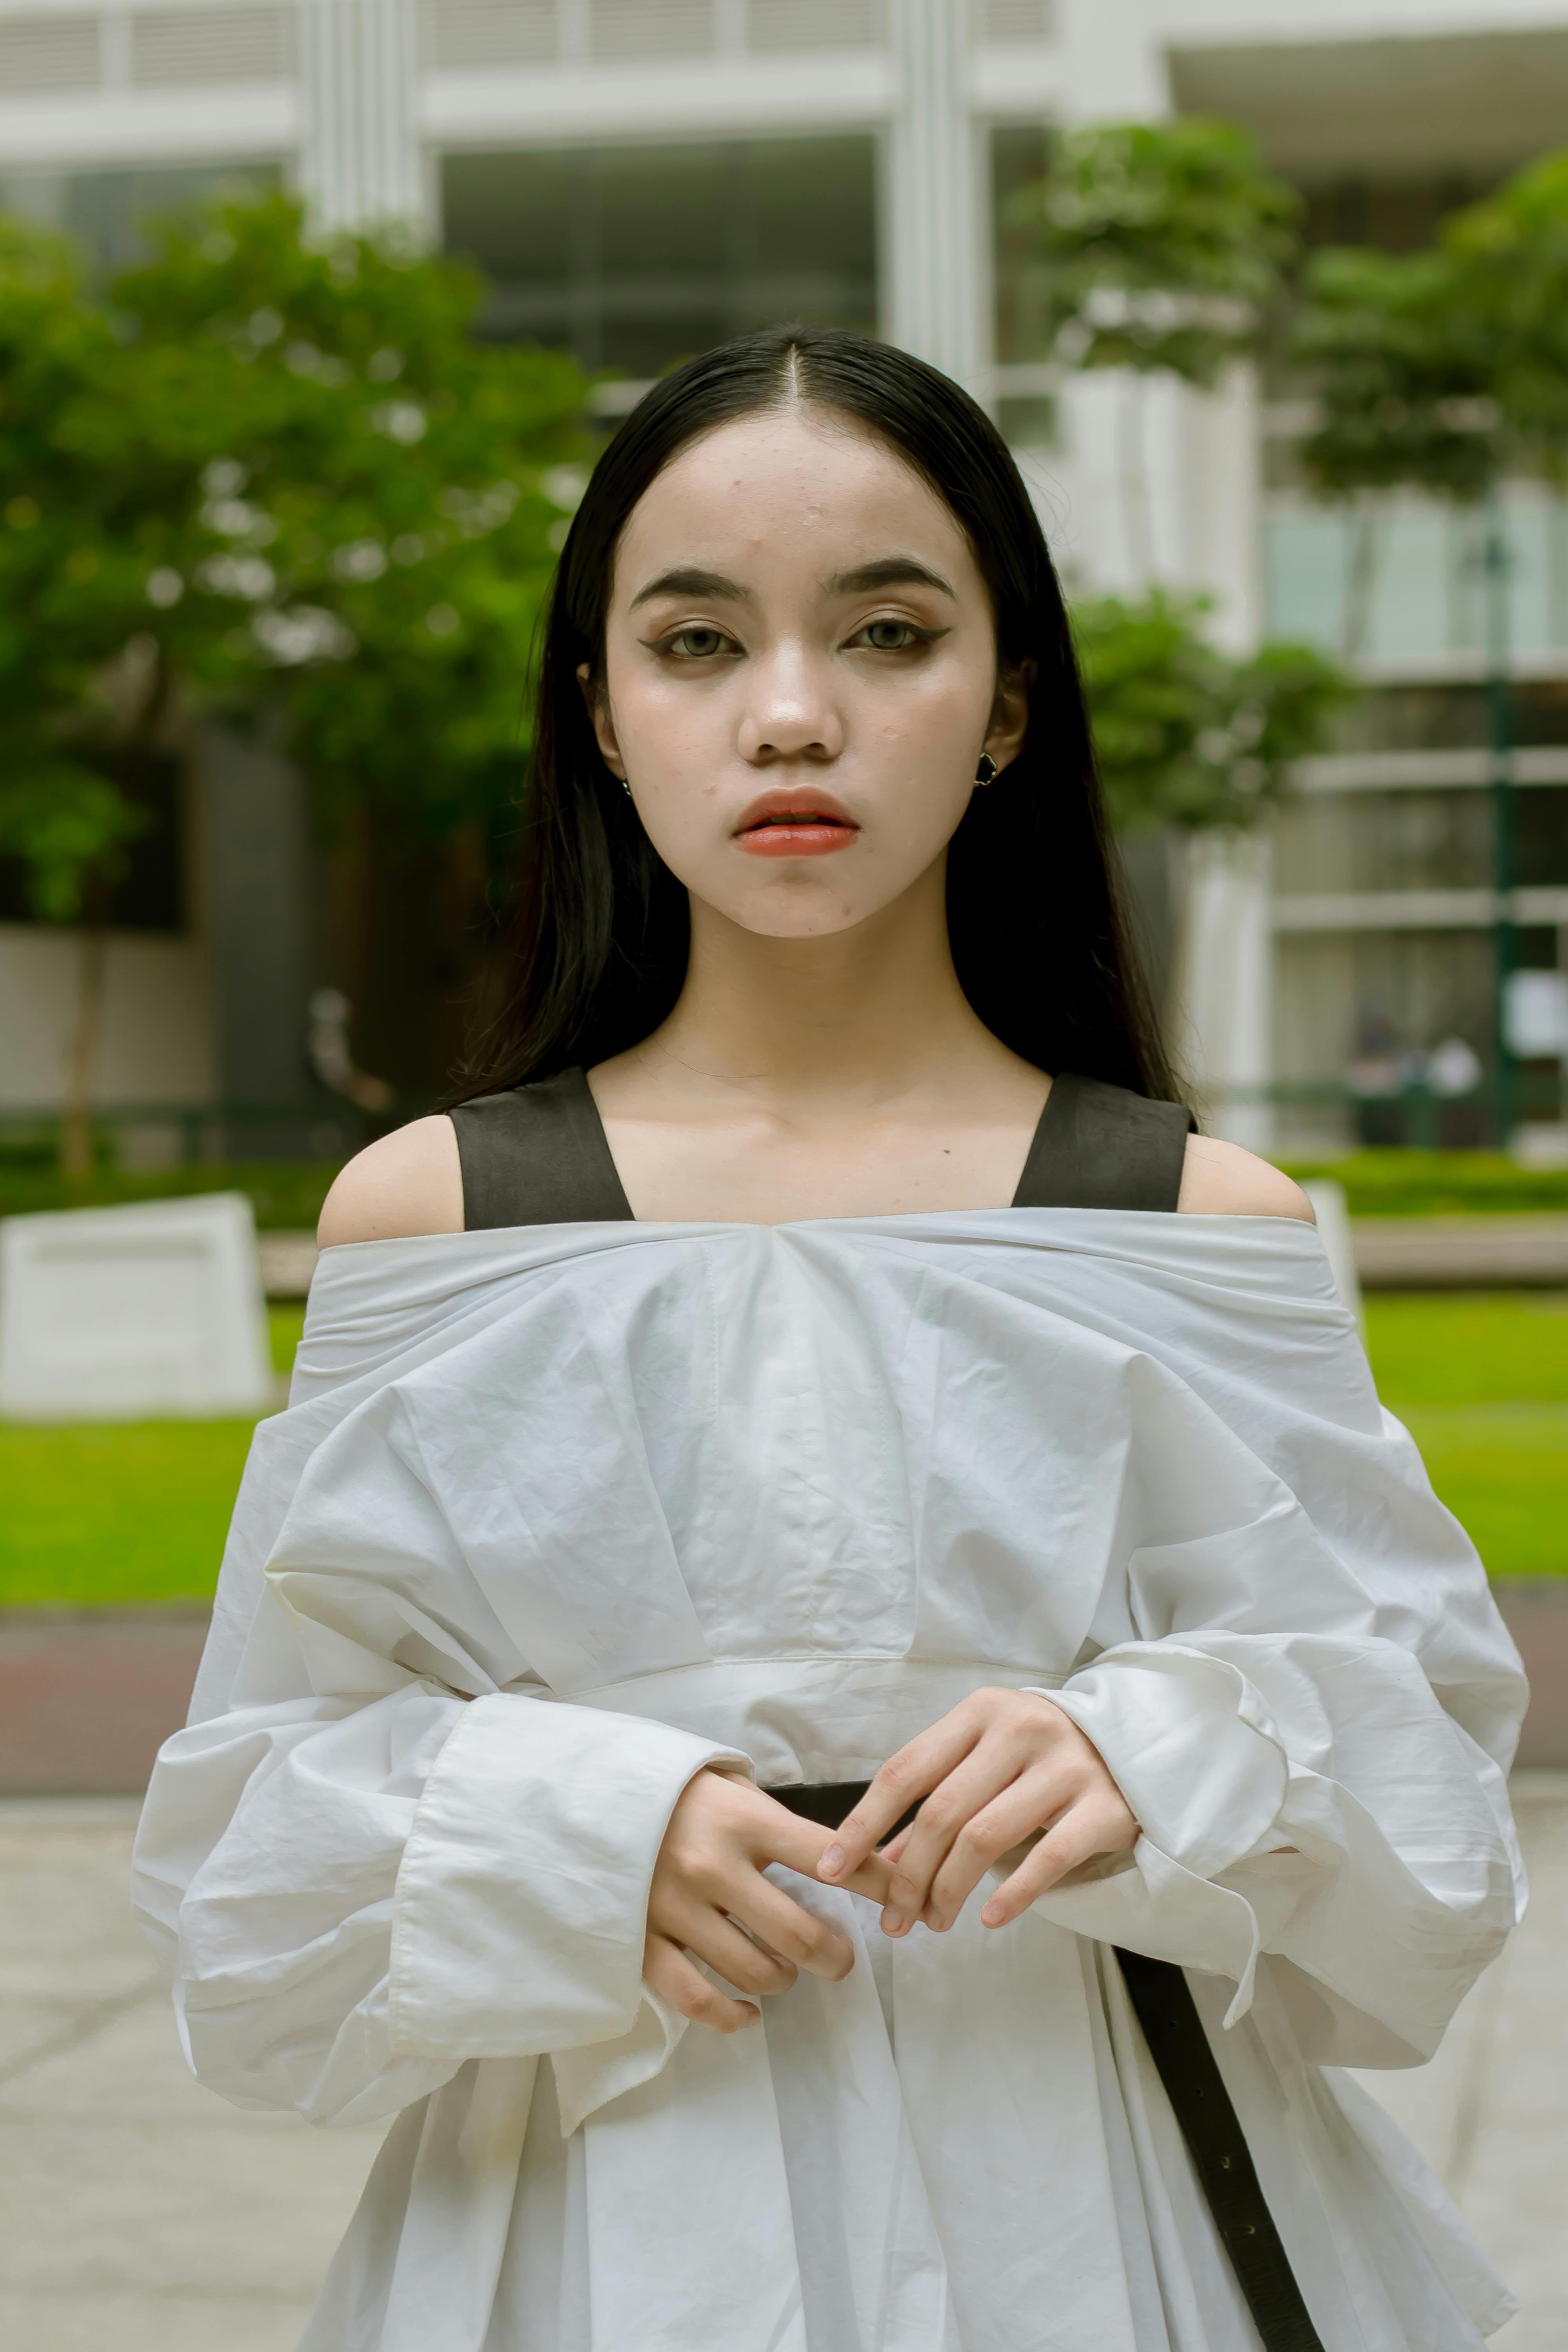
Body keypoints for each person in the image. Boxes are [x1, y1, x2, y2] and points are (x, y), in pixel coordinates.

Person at [133, 327, 1526, 2352]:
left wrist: (1149, 1752)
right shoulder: (443, 1221)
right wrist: (584, 1831)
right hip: (598, 2228)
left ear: (1007, 708)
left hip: (1106, 2213)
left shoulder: (1188, 1220)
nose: (794, 718)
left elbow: (1429, 1807)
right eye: (700, 645)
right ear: (602, 711)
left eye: (887, 632)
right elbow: (248, 1863)